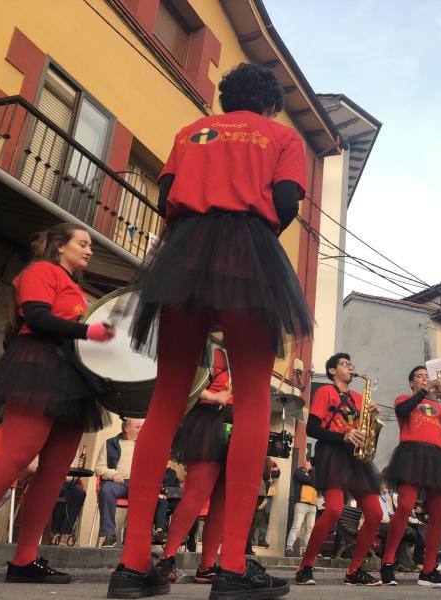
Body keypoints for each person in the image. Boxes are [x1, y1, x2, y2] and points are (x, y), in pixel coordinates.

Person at [106, 62, 312, 600]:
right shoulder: (281, 136)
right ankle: (234, 568)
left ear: (225, 100)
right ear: (269, 104)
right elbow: (287, 203)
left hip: (186, 252)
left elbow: (166, 195)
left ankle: (131, 567)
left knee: (166, 399)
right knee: (253, 400)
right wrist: (252, 240)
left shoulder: (190, 131)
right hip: (248, 251)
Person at [0, 223, 114, 584]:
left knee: (54, 471)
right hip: (38, 367)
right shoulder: (41, 271)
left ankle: (25, 559)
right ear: (59, 246)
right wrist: (88, 331)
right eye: (82, 243)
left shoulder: (75, 288)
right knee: (15, 456)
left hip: (71, 376)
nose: (89, 250)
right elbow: (37, 316)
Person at [294, 353, 382, 586]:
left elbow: (362, 430)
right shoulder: (325, 392)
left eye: (351, 364)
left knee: (375, 514)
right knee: (333, 509)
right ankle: (305, 566)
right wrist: (343, 436)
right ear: (332, 371)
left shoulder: (357, 396)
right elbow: (312, 429)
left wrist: (371, 418)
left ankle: (354, 571)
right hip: (333, 454)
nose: (351, 368)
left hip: (355, 458)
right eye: (345, 364)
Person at [158, 346, 233, 584]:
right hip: (207, 422)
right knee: (197, 494)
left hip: (235, 425)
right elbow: (185, 383)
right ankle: (167, 558)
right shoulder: (212, 351)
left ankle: (208, 565)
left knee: (222, 501)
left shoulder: (245, 358)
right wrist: (213, 396)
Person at [379, 365, 441, 587]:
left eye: (427, 376)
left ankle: (429, 570)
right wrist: (424, 391)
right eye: (420, 377)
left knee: (440, 513)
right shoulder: (403, 399)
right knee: (404, 506)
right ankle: (387, 563)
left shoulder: (437, 406)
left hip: (436, 458)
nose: (425, 379)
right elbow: (403, 412)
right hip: (411, 454)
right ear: (412, 382)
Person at [95, 418, 161, 547]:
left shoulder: (145, 445)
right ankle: (109, 535)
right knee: (106, 490)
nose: (141, 430)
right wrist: (113, 474)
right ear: (126, 428)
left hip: (137, 484)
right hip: (117, 483)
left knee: (146, 496)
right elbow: (98, 468)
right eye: (138, 427)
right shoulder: (110, 443)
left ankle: (130, 537)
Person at [285, 457, 318, 557]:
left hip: (313, 505)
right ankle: (289, 547)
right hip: (301, 503)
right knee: (296, 526)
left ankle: (307, 550)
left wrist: (313, 477)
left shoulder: (313, 474)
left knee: (309, 529)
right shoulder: (298, 471)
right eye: (311, 463)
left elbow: (317, 483)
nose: (312, 466)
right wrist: (313, 479)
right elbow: (307, 480)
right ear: (307, 462)